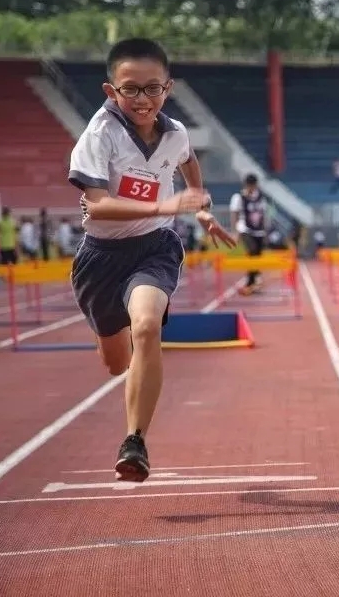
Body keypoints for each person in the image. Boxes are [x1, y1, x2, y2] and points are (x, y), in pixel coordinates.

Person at [67, 37, 234, 482]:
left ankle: (134, 441)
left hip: (154, 247)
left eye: (152, 88)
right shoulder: (99, 136)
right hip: (100, 258)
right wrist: (164, 204)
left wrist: (200, 206)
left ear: (168, 87)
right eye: (131, 89)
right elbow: (97, 205)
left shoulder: (175, 132)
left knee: (145, 326)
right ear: (111, 90)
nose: (143, 99)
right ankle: (116, 340)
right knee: (116, 364)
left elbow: (188, 160)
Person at [229, 173, 270, 295]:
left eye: (253, 185)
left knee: (257, 256)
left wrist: (265, 231)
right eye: (249, 185)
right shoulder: (239, 197)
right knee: (252, 251)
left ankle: (252, 281)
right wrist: (235, 232)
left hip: (259, 230)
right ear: (246, 185)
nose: (251, 188)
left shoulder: (261, 197)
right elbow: (234, 214)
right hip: (245, 229)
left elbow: (264, 215)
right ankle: (253, 280)